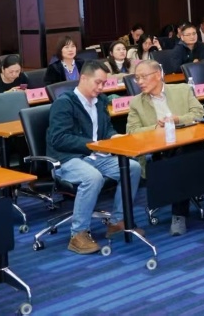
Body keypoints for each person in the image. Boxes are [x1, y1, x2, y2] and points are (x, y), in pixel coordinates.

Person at [46, 60, 142, 254]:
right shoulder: (64, 103)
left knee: (133, 167)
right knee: (92, 177)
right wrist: (92, 145)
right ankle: (78, 234)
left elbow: (106, 130)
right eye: (98, 82)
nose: (101, 87)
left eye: (104, 83)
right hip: (67, 158)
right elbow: (59, 139)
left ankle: (117, 222)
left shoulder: (100, 101)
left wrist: (115, 138)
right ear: (83, 78)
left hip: (96, 156)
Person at [125, 59, 204, 236]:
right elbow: (131, 132)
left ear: (157, 75)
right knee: (182, 160)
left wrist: (178, 120)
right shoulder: (136, 102)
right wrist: (155, 128)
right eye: (137, 78)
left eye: (143, 77)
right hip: (160, 151)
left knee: (186, 154)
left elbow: (200, 114)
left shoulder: (182, 90)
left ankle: (179, 214)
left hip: (188, 143)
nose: (139, 82)